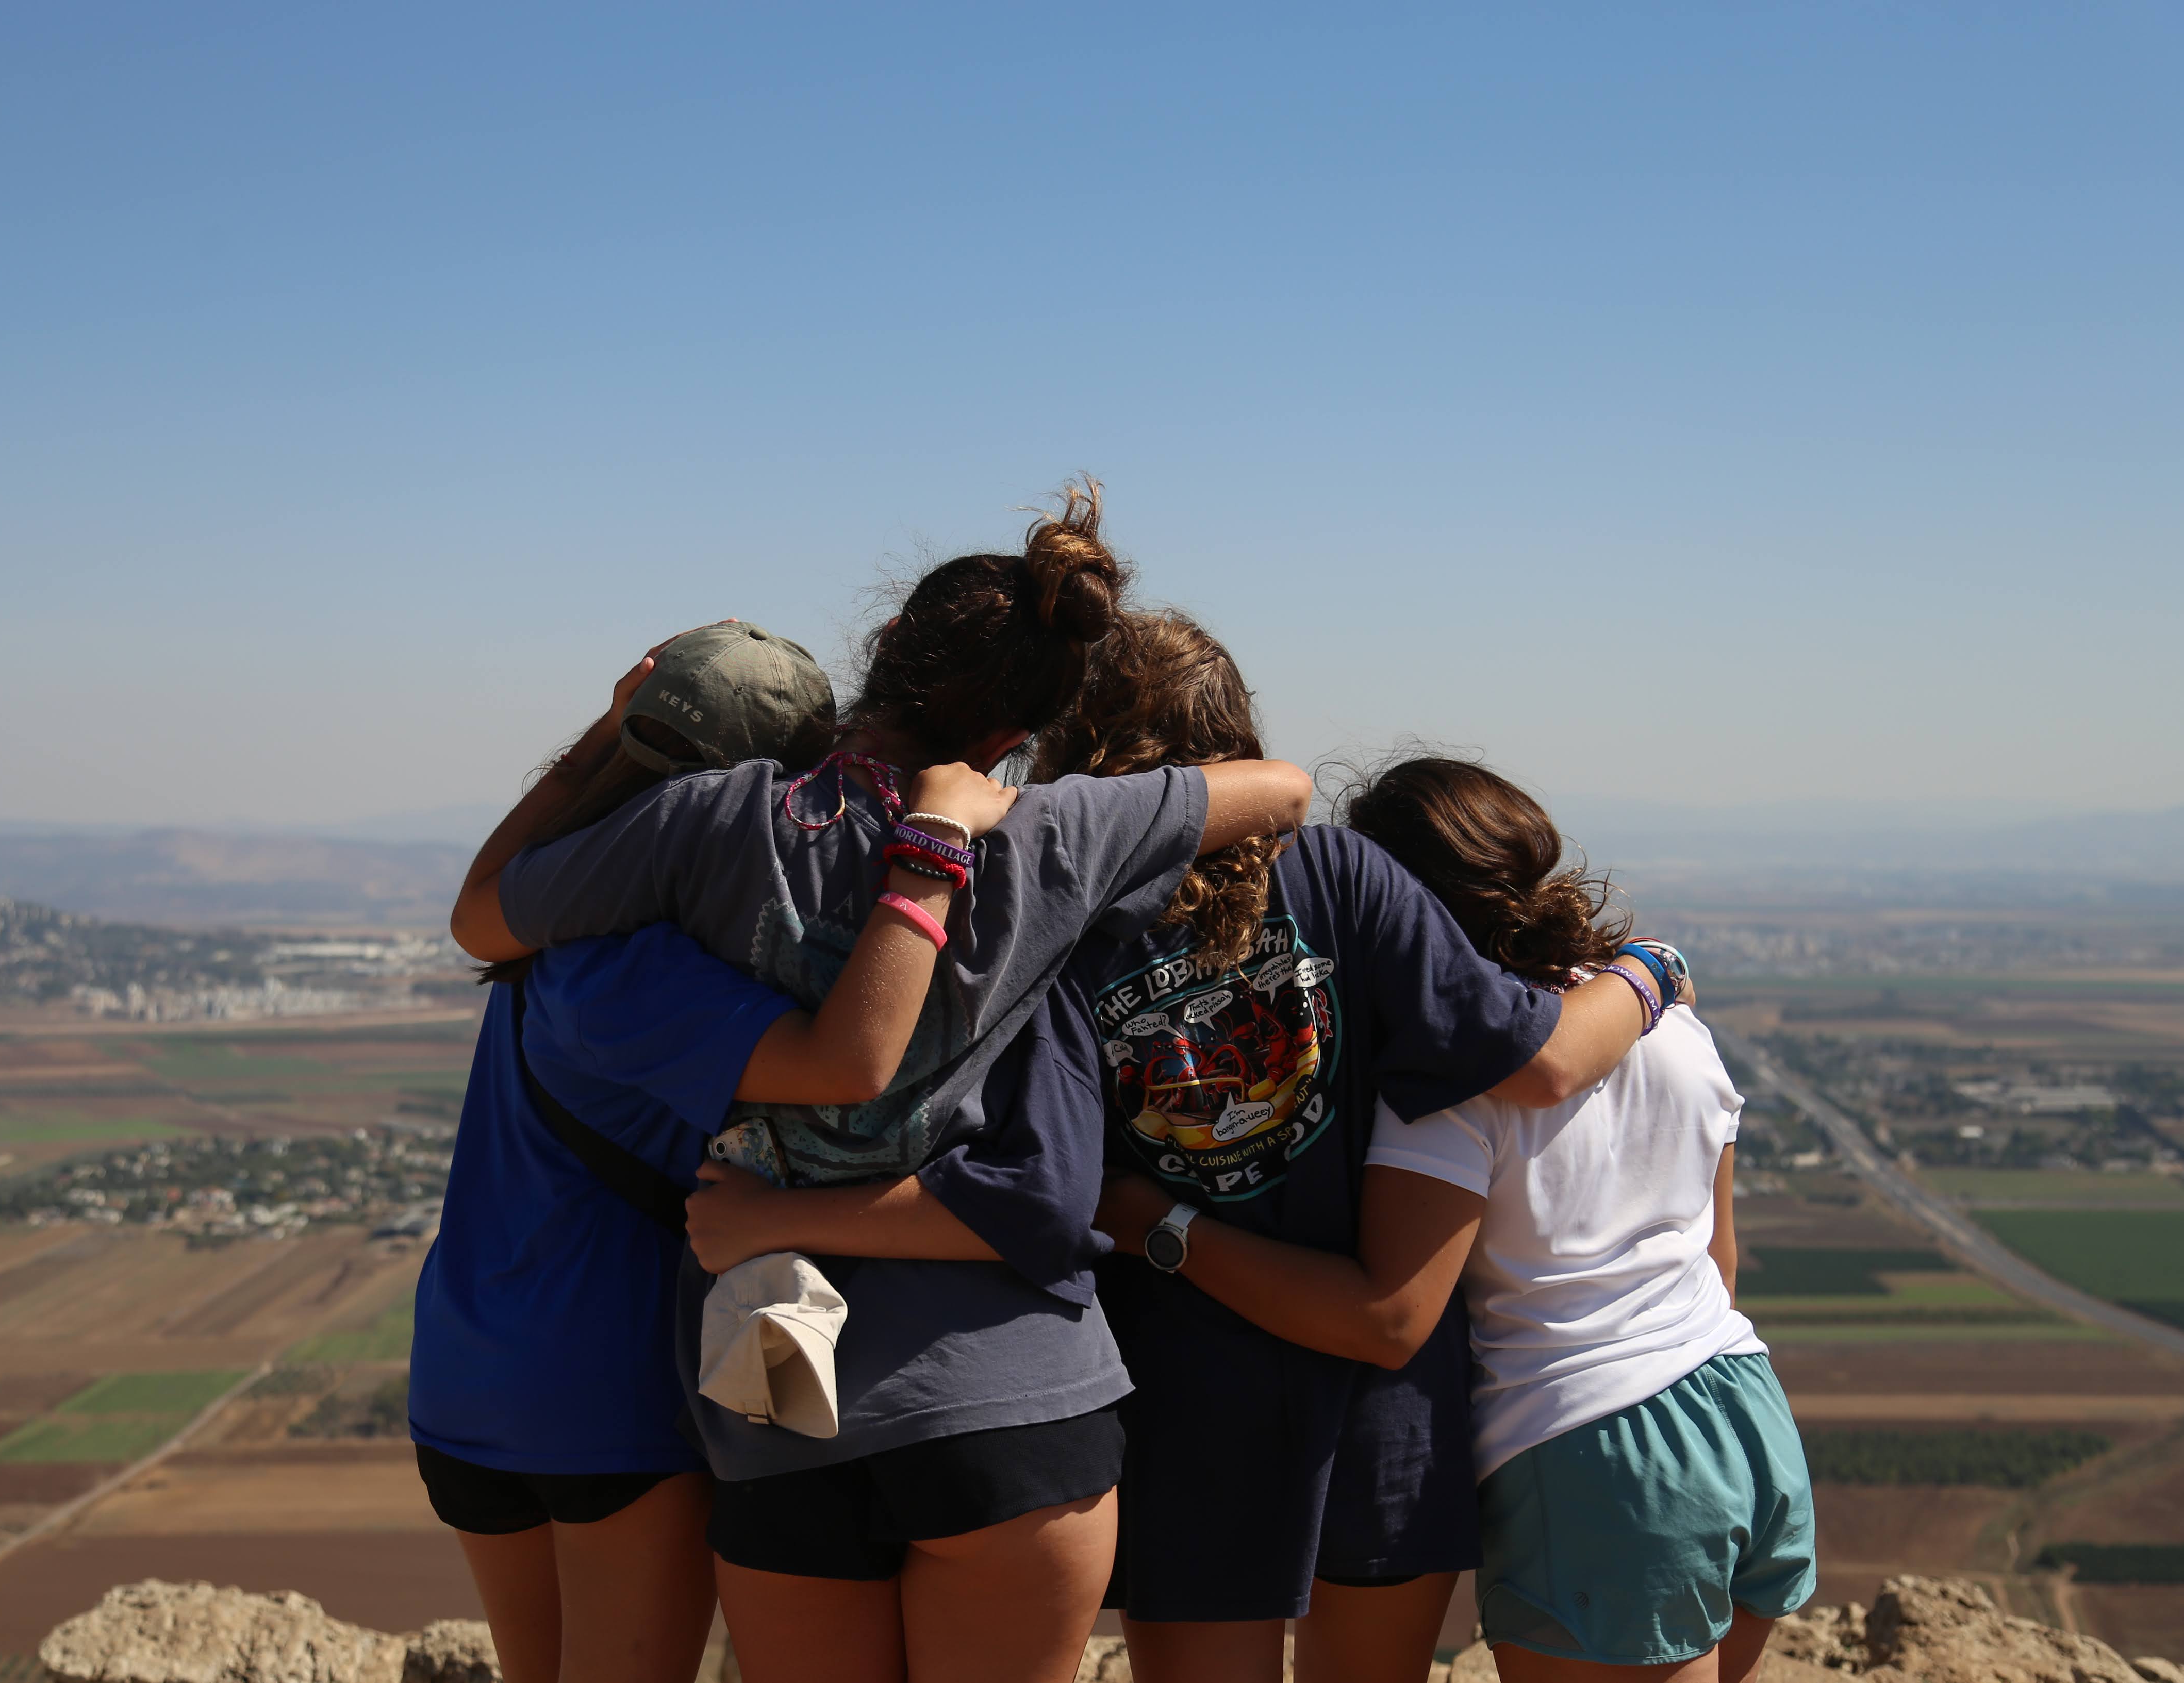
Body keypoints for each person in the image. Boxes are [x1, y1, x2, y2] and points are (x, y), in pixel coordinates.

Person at [450, 486, 1315, 1683]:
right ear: (1023, 726)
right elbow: (1283, 790)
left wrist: (616, 734)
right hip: (1013, 1401)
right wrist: (1015, 811)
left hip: (781, 1402)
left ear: (883, 653)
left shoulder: (706, 820)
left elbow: (488, 915)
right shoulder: (1049, 835)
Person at [1025, 612, 1661, 1683]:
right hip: (1385, 1416)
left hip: (1186, 1409)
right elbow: (1543, 1062)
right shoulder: (1344, 877)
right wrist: (1648, 972)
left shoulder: (1058, 924)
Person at [408, 621, 1020, 1683]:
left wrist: (604, 736)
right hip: (607, 1393)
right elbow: (846, 1063)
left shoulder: (538, 916)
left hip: (463, 1372)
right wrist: (930, 852)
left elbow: (481, 899)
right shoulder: (647, 960)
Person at [1345, 759, 1812, 1683]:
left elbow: (1387, 1312)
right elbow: (1718, 1266)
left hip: (1602, 1457)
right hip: (1745, 1408)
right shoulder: (1666, 1022)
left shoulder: (1443, 1081)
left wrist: (1167, 1225)